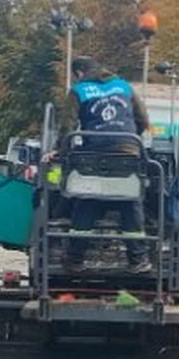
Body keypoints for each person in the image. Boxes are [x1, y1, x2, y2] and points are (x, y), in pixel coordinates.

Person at [59, 56, 153, 273]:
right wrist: (131, 139)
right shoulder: (124, 86)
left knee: (87, 199)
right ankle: (138, 259)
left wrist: (60, 150)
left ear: (79, 73)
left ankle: (75, 259)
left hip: (95, 156)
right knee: (130, 200)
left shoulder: (79, 90)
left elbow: (67, 126)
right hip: (128, 153)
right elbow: (143, 120)